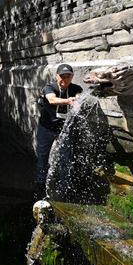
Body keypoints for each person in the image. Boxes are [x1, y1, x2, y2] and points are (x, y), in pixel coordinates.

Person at [35, 63, 83, 198]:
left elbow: (79, 96)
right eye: (62, 76)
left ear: (72, 77)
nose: (65, 79)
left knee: (65, 157)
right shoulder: (49, 87)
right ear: (57, 76)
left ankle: (65, 187)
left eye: (68, 76)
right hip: (46, 127)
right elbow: (51, 100)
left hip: (64, 129)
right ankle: (40, 183)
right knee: (42, 155)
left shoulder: (76, 88)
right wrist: (68, 101)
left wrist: (78, 101)